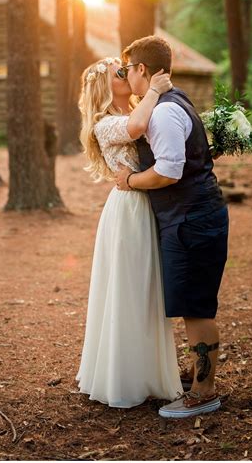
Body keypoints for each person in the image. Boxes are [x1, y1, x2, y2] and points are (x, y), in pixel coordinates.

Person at [115, 36, 229, 419]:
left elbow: (167, 171)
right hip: (190, 217)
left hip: (191, 220)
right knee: (190, 303)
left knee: (196, 307)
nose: (125, 75)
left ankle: (204, 393)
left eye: (127, 68)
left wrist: (129, 180)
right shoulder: (170, 103)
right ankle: (200, 376)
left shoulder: (164, 112)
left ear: (141, 70)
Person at [76, 57, 182, 408]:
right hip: (129, 211)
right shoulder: (103, 124)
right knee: (130, 290)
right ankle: (124, 377)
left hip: (149, 205)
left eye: (125, 69)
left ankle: (149, 371)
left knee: (149, 291)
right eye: (116, 72)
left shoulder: (141, 108)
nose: (123, 73)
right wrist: (154, 89)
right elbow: (135, 128)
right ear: (104, 86)